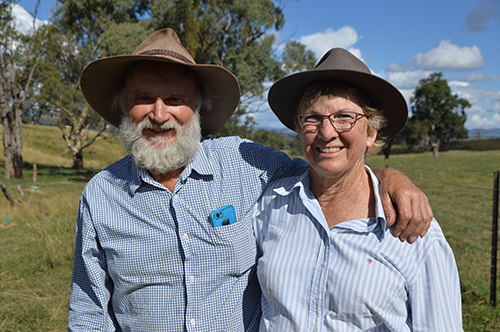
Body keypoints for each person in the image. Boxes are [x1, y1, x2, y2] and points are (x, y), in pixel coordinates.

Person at [68, 29, 433, 331]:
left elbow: (330, 166)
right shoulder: (102, 195)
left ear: (197, 107)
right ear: (123, 107)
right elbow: (89, 311)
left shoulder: (246, 163)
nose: (160, 114)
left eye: (176, 99)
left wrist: (388, 177)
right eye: (144, 98)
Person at [253, 48, 463, 331]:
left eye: (344, 117)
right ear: (299, 128)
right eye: (312, 118)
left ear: (371, 132)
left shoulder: (412, 230)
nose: (327, 133)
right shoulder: (270, 205)